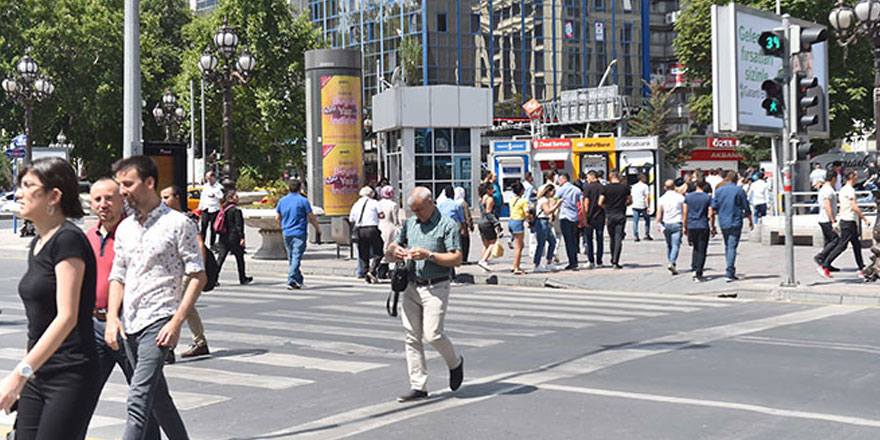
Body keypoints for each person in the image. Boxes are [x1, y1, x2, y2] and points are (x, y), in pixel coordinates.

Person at [106, 156, 205, 440]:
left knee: (138, 400)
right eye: (119, 184)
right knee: (158, 399)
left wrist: (176, 322)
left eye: (128, 184)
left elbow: (198, 275)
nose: (122, 191)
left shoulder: (178, 223)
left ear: (149, 182)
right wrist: (113, 318)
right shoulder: (125, 227)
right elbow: (118, 275)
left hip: (159, 321)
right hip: (131, 323)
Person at [2, 158, 101, 439]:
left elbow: (66, 317)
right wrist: (26, 371)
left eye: (28, 186)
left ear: (54, 196)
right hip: (38, 373)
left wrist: (18, 375)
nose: (18, 193)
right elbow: (37, 322)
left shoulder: (68, 240)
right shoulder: (38, 243)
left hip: (71, 373)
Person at [89, 178, 164, 439]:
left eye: (109, 198)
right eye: (97, 199)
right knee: (83, 393)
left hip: (129, 326)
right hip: (95, 327)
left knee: (144, 398)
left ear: (122, 200)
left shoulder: (134, 233)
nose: (103, 204)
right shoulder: (87, 237)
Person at [387, 187, 464, 403]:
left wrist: (428, 255)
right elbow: (393, 244)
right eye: (413, 211)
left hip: (435, 286)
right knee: (411, 336)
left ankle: (455, 363)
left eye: (420, 210)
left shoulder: (447, 225)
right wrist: (395, 250)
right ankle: (418, 386)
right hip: (411, 285)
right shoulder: (411, 223)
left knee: (433, 334)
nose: (417, 214)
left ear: (431, 202)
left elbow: (457, 258)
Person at [159, 185, 214, 362]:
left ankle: (169, 348)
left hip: (186, 270)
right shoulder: (162, 218)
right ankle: (200, 342)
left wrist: (200, 269)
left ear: (176, 197)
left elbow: (199, 243)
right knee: (186, 305)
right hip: (171, 270)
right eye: (162, 197)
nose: (163, 201)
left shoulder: (187, 218)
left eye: (166, 197)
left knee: (175, 306)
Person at [819, 169, 870, 279]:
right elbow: (854, 206)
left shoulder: (843, 190)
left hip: (846, 220)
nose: (857, 177)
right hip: (848, 221)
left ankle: (861, 267)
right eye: (856, 175)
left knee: (856, 245)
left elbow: (842, 207)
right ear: (851, 176)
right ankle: (825, 265)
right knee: (842, 245)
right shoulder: (850, 190)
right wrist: (865, 219)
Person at [276, 179, 321, 290]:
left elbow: (277, 217)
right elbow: (311, 217)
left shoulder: (282, 201)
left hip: (287, 232)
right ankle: (291, 280)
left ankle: (298, 279)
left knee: (292, 257)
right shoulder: (303, 201)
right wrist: (317, 228)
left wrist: (283, 226)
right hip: (299, 232)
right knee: (296, 257)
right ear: (300, 188)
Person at [711, 170, 754, 282]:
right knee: (732, 246)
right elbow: (746, 207)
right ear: (736, 179)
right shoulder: (739, 190)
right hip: (735, 220)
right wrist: (750, 220)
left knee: (727, 245)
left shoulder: (719, 191)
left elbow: (714, 207)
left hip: (723, 221)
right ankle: (729, 272)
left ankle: (730, 268)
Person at [213, 189, 252, 285]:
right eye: (236, 197)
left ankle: (213, 279)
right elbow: (239, 226)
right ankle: (242, 278)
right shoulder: (236, 211)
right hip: (234, 237)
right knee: (239, 258)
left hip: (223, 237)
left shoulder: (223, 209)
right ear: (231, 198)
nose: (237, 198)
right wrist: (242, 238)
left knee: (220, 258)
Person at [350, 186, 385, 284]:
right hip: (372, 229)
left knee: (363, 253)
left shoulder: (356, 204)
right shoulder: (374, 202)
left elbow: (351, 219)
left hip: (360, 230)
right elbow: (382, 215)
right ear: (371, 194)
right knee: (379, 252)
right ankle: (372, 270)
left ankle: (366, 274)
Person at [599, 170, 631, 269]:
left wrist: (607, 207)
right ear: (618, 176)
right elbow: (630, 200)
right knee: (618, 238)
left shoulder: (606, 188)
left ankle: (612, 258)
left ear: (610, 176)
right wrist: (623, 205)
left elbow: (600, 202)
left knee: (612, 238)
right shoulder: (625, 188)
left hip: (610, 216)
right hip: (620, 215)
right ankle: (615, 261)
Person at [683, 181, 714, 282]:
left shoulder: (688, 197)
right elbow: (711, 213)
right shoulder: (707, 197)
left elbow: (685, 212)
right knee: (702, 249)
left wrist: (684, 226)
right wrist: (713, 226)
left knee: (695, 247)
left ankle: (693, 267)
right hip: (703, 224)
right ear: (704, 186)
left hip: (691, 224)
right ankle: (698, 271)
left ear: (696, 185)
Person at [813, 171, 841, 274]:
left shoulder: (825, 189)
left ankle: (826, 263)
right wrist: (832, 219)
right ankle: (820, 257)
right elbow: (827, 205)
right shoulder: (828, 190)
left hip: (824, 218)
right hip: (826, 219)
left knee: (828, 241)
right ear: (833, 178)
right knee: (835, 240)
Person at [656, 179, 685, 275]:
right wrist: (685, 224)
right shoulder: (680, 197)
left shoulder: (662, 198)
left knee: (669, 245)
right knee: (676, 245)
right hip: (677, 222)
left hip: (666, 223)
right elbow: (684, 211)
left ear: (665, 187)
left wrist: (658, 223)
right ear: (674, 187)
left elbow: (659, 212)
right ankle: (672, 262)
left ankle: (670, 262)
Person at [556, 173, 584, 270]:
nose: (558, 182)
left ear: (564, 179)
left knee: (568, 241)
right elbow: (581, 204)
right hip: (575, 217)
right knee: (574, 240)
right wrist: (583, 217)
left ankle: (572, 262)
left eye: (559, 180)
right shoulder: (577, 190)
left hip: (565, 217)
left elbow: (555, 199)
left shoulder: (561, 190)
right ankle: (575, 260)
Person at [534, 183, 561, 272]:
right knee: (541, 243)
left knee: (552, 241)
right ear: (548, 191)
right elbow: (547, 211)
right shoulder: (543, 200)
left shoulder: (545, 199)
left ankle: (549, 262)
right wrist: (557, 205)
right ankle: (537, 264)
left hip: (545, 221)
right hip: (542, 222)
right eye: (553, 192)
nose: (554, 194)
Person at [377, 186, 402, 278]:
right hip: (390, 228)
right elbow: (396, 220)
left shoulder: (378, 204)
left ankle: (381, 270)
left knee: (382, 248)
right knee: (390, 248)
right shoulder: (393, 204)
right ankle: (391, 271)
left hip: (380, 226)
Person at [477, 183, 502, 271]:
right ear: (487, 190)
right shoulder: (490, 199)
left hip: (480, 222)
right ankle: (483, 261)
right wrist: (496, 223)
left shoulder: (481, 198)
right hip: (487, 223)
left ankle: (484, 263)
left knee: (485, 244)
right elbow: (489, 213)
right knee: (493, 242)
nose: (494, 190)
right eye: (492, 188)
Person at [582, 171, 605, 268]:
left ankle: (591, 260)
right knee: (600, 239)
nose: (587, 179)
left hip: (590, 217)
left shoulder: (587, 188)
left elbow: (586, 203)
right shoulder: (602, 187)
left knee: (589, 239)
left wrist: (584, 217)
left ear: (592, 177)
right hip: (600, 216)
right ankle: (599, 261)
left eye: (588, 177)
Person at [507, 182, 529, 275]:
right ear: (522, 191)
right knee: (518, 247)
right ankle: (516, 267)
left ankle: (515, 265)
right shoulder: (523, 201)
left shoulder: (512, 200)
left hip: (511, 222)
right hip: (518, 222)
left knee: (520, 245)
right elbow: (526, 212)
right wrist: (530, 220)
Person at [198, 171, 224, 248]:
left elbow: (222, 198)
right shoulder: (205, 186)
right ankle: (202, 244)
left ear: (213, 177)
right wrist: (200, 208)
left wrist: (215, 195)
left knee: (213, 228)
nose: (208, 180)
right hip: (206, 208)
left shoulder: (219, 187)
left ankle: (212, 244)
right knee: (203, 226)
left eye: (209, 178)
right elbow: (202, 197)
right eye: (207, 178)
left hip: (214, 208)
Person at [454, 187, 474, 264]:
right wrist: (471, 225)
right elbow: (467, 216)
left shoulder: (454, 203)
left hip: (455, 225)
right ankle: (464, 259)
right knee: (465, 243)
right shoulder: (463, 203)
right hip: (463, 226)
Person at [630, 174, 652, 241]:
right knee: (647, 220)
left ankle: (636, 236)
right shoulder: (645, 186)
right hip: (643, 205)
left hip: (635, 205)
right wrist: (648, 206)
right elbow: (647, 196)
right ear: (642, 178)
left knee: (635, 221)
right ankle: (647, 234)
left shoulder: (633, 186)